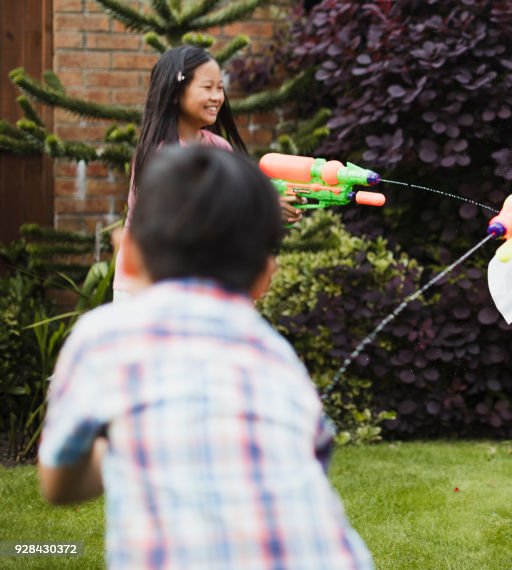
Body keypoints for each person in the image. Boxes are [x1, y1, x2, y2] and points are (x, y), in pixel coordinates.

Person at [37, 146, 373, 570]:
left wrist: (121, 447)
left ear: (131, 255)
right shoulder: (274, 353)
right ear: (264, 277)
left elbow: (57, 482)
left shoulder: (103, 338)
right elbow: (311, 454)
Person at [112, 45, 301, 299]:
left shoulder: (219, 147)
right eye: (207, 87)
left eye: (220, 88)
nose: (217, 97)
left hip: (198, 282)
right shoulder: (160, 155)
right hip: (147, 284)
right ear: (176, 92)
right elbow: (189, 218)